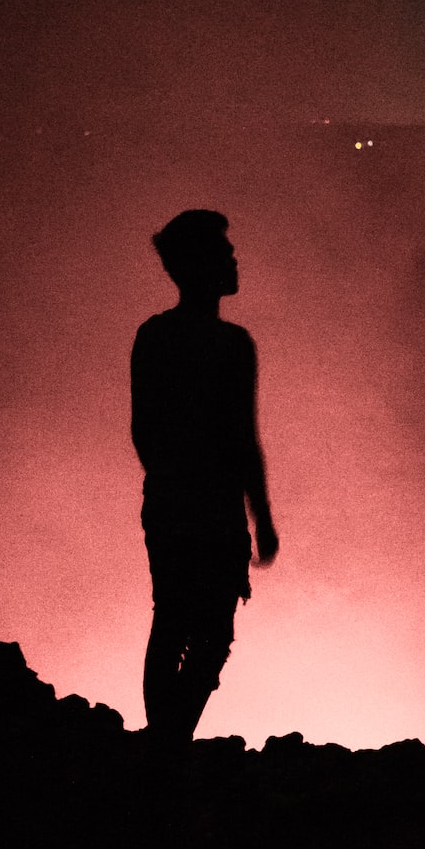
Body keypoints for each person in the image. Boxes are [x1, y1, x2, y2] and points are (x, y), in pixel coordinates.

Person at [131, 209, 278, 748]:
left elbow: (150, 431)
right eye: (223, 251)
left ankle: (164, 740)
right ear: (197, 265)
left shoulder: (163, 336)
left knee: (181, 624)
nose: (233, 259)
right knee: (199, 630)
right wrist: (255, 515)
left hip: (186, 504)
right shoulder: (226, 344)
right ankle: (168, 743)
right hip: (201, 507)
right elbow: (241, 438)